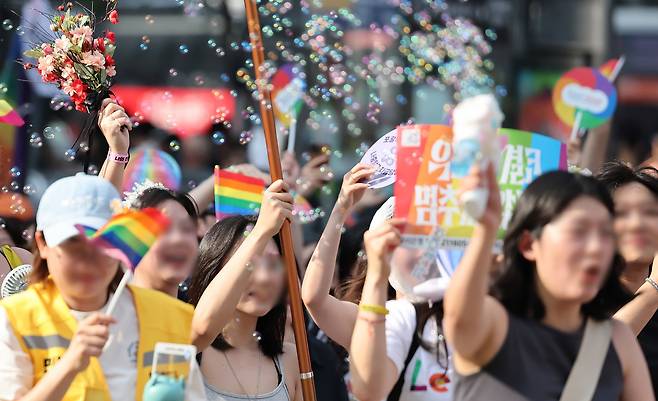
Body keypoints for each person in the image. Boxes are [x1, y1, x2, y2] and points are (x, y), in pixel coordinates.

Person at [443, 166, 653, 400]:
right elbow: (459, 320)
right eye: (578, 232)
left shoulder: (618, 339)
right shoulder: (496, 322)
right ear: (529, 244)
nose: (596, 248)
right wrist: (485, 229)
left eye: (605, 234)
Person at [0, 174, 196, 401]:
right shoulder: (13, 318)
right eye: (73, 242)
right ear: (43, 244)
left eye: (102, 241)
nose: (88, 259)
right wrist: (70, 364)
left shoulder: (169, 315)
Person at [188, 179, 302, 401]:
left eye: (273, 264)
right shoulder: (187, 348)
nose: (264, 277)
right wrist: (261, 231)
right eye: (250, 263)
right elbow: (202, 327)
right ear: (213, 269)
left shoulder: (291, 361)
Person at [597, 162, 658, 390]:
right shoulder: (579, 299)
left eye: (650, 212)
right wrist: (653, 290)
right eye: (621, 214)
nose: (637, 224)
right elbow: (591, 359)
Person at [127, 183, 199, 299]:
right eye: (163, 228)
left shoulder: (193, 316)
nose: (178, 239)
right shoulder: (108, 313)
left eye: (186, 228)